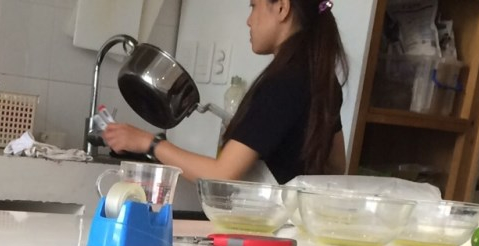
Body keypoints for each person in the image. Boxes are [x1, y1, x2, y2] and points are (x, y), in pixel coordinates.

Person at [102, 0, 349, 184]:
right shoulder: (323, 79)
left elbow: (221, 175)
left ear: (282, 8)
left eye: (254, 6)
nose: (249, 20)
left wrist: (148, 142)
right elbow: (336, 166)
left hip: (263, 228)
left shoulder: (282, 83)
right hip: (293, 227)